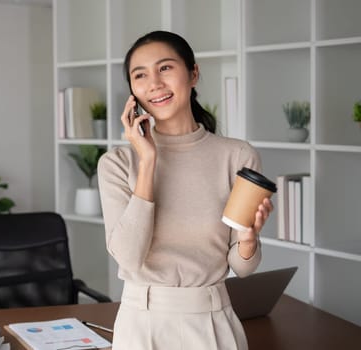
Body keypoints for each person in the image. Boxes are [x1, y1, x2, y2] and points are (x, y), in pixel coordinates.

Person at [97, 30, 273, 349]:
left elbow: (243, 267)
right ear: (133, 91)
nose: (154, 83)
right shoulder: (117, 163)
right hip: (141, 324)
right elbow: (129, 257)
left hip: (214, 322)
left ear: (193, 73)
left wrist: (249, 238)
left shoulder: (238, 156)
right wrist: (147, 160)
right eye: (140, 75)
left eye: (165, 68)